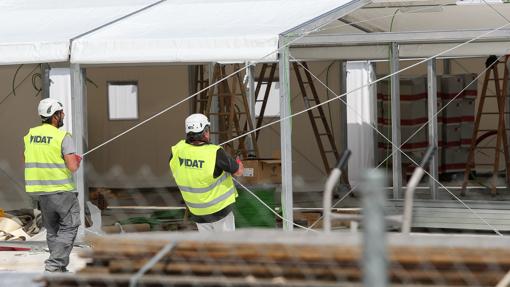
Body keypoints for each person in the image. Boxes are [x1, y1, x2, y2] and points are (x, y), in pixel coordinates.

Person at [24, 98, 82, 272]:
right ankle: (54, 266)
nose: (63, 115)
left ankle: (58, 268)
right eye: (61, 112)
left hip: (42, 192)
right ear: (55, 116)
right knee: (69, 226)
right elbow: (72, 167)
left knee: (53, 230)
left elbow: (26, 159)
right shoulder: (63, 136)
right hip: (62, 191)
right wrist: (77, 160)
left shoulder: (30, 135)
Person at [169, 113, 244, 232]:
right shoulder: (215, 153)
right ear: (205, 131)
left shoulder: (177, 150)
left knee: (208, 246)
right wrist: (238, 161)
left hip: (197, 212)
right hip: (219, 211)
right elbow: (238, 171)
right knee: (227, 246)